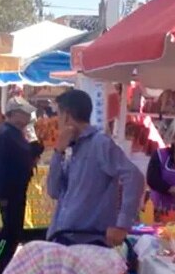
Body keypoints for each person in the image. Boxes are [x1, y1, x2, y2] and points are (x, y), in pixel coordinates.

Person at [46, 88, 144, 247]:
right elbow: (54, 191)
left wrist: (122, 224)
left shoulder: (100, 143)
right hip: (64, 236)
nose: (58, 121)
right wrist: (58, 153)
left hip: (90, 239)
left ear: (67, 116)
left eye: (59, 115)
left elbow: (134, 177)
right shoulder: (72, 149)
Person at [0, 97, 42, 274]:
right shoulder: (6, 134)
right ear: (14, 114)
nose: (27, 117)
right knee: (9, 232)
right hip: (9, 191)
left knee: (11, 231)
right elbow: (3, 165)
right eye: (24, 113)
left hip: (15, 190)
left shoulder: (13, 133)